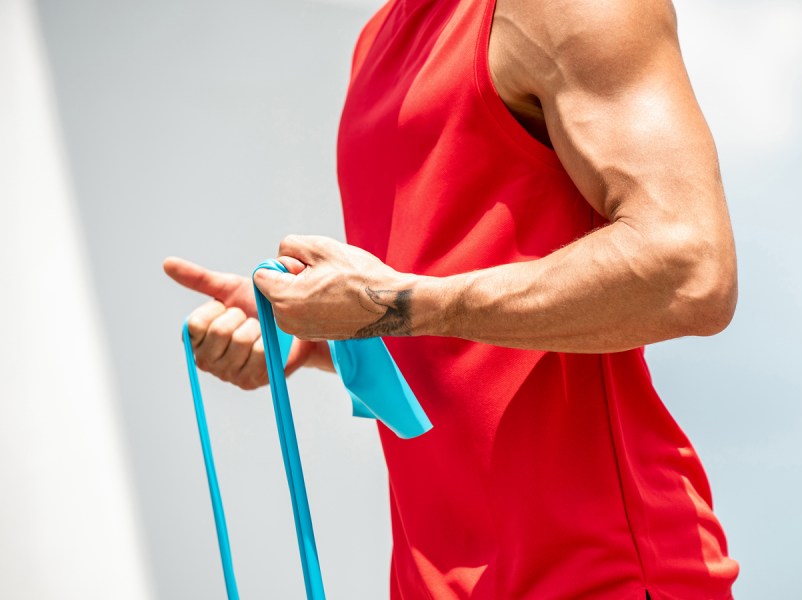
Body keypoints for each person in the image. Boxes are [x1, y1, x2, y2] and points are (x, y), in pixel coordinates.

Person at [164, 0, 740, 597]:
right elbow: (437, 323)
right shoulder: (375, 44)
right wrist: (317, 337)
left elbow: (690, 270)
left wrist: (398, 303)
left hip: (602, 575)